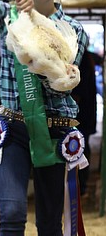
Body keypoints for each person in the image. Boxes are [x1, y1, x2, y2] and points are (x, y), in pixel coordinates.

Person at [0, 0, 88, 235]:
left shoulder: (73, 30)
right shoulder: (9, 17)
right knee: (11, 214)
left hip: (53, 131)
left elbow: (60, 86)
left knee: (49, 223)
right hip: (13, 128)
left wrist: (50, 68)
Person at [71, 49, 97, 197]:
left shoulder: (83, 60)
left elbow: (79, 90)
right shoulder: (87, 58)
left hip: (80, 114)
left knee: (78, 147)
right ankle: (81, 185)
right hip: (83, 114)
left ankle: (81, 185)